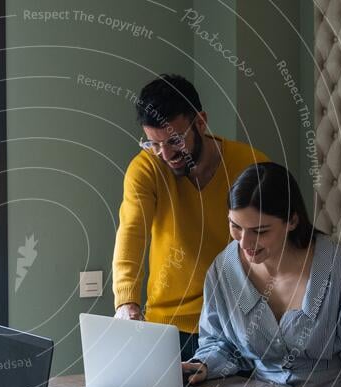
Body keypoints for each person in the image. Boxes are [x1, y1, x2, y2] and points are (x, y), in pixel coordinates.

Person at [182, 162, 341, 387]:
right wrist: (202, 365)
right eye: (235, 226)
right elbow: (220, 343)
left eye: (260, 231)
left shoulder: (338, 266)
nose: (244, 242)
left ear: (291, 221)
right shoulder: (224, 269)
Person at [113, 74, 269, 360]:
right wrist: (127, 303)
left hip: (237, 325)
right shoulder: (147, 168)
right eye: (153, 144)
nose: (165, 153)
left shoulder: (251, 165)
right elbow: (132, 232)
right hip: (168, 326)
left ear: (200, 121)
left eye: (174, 140)